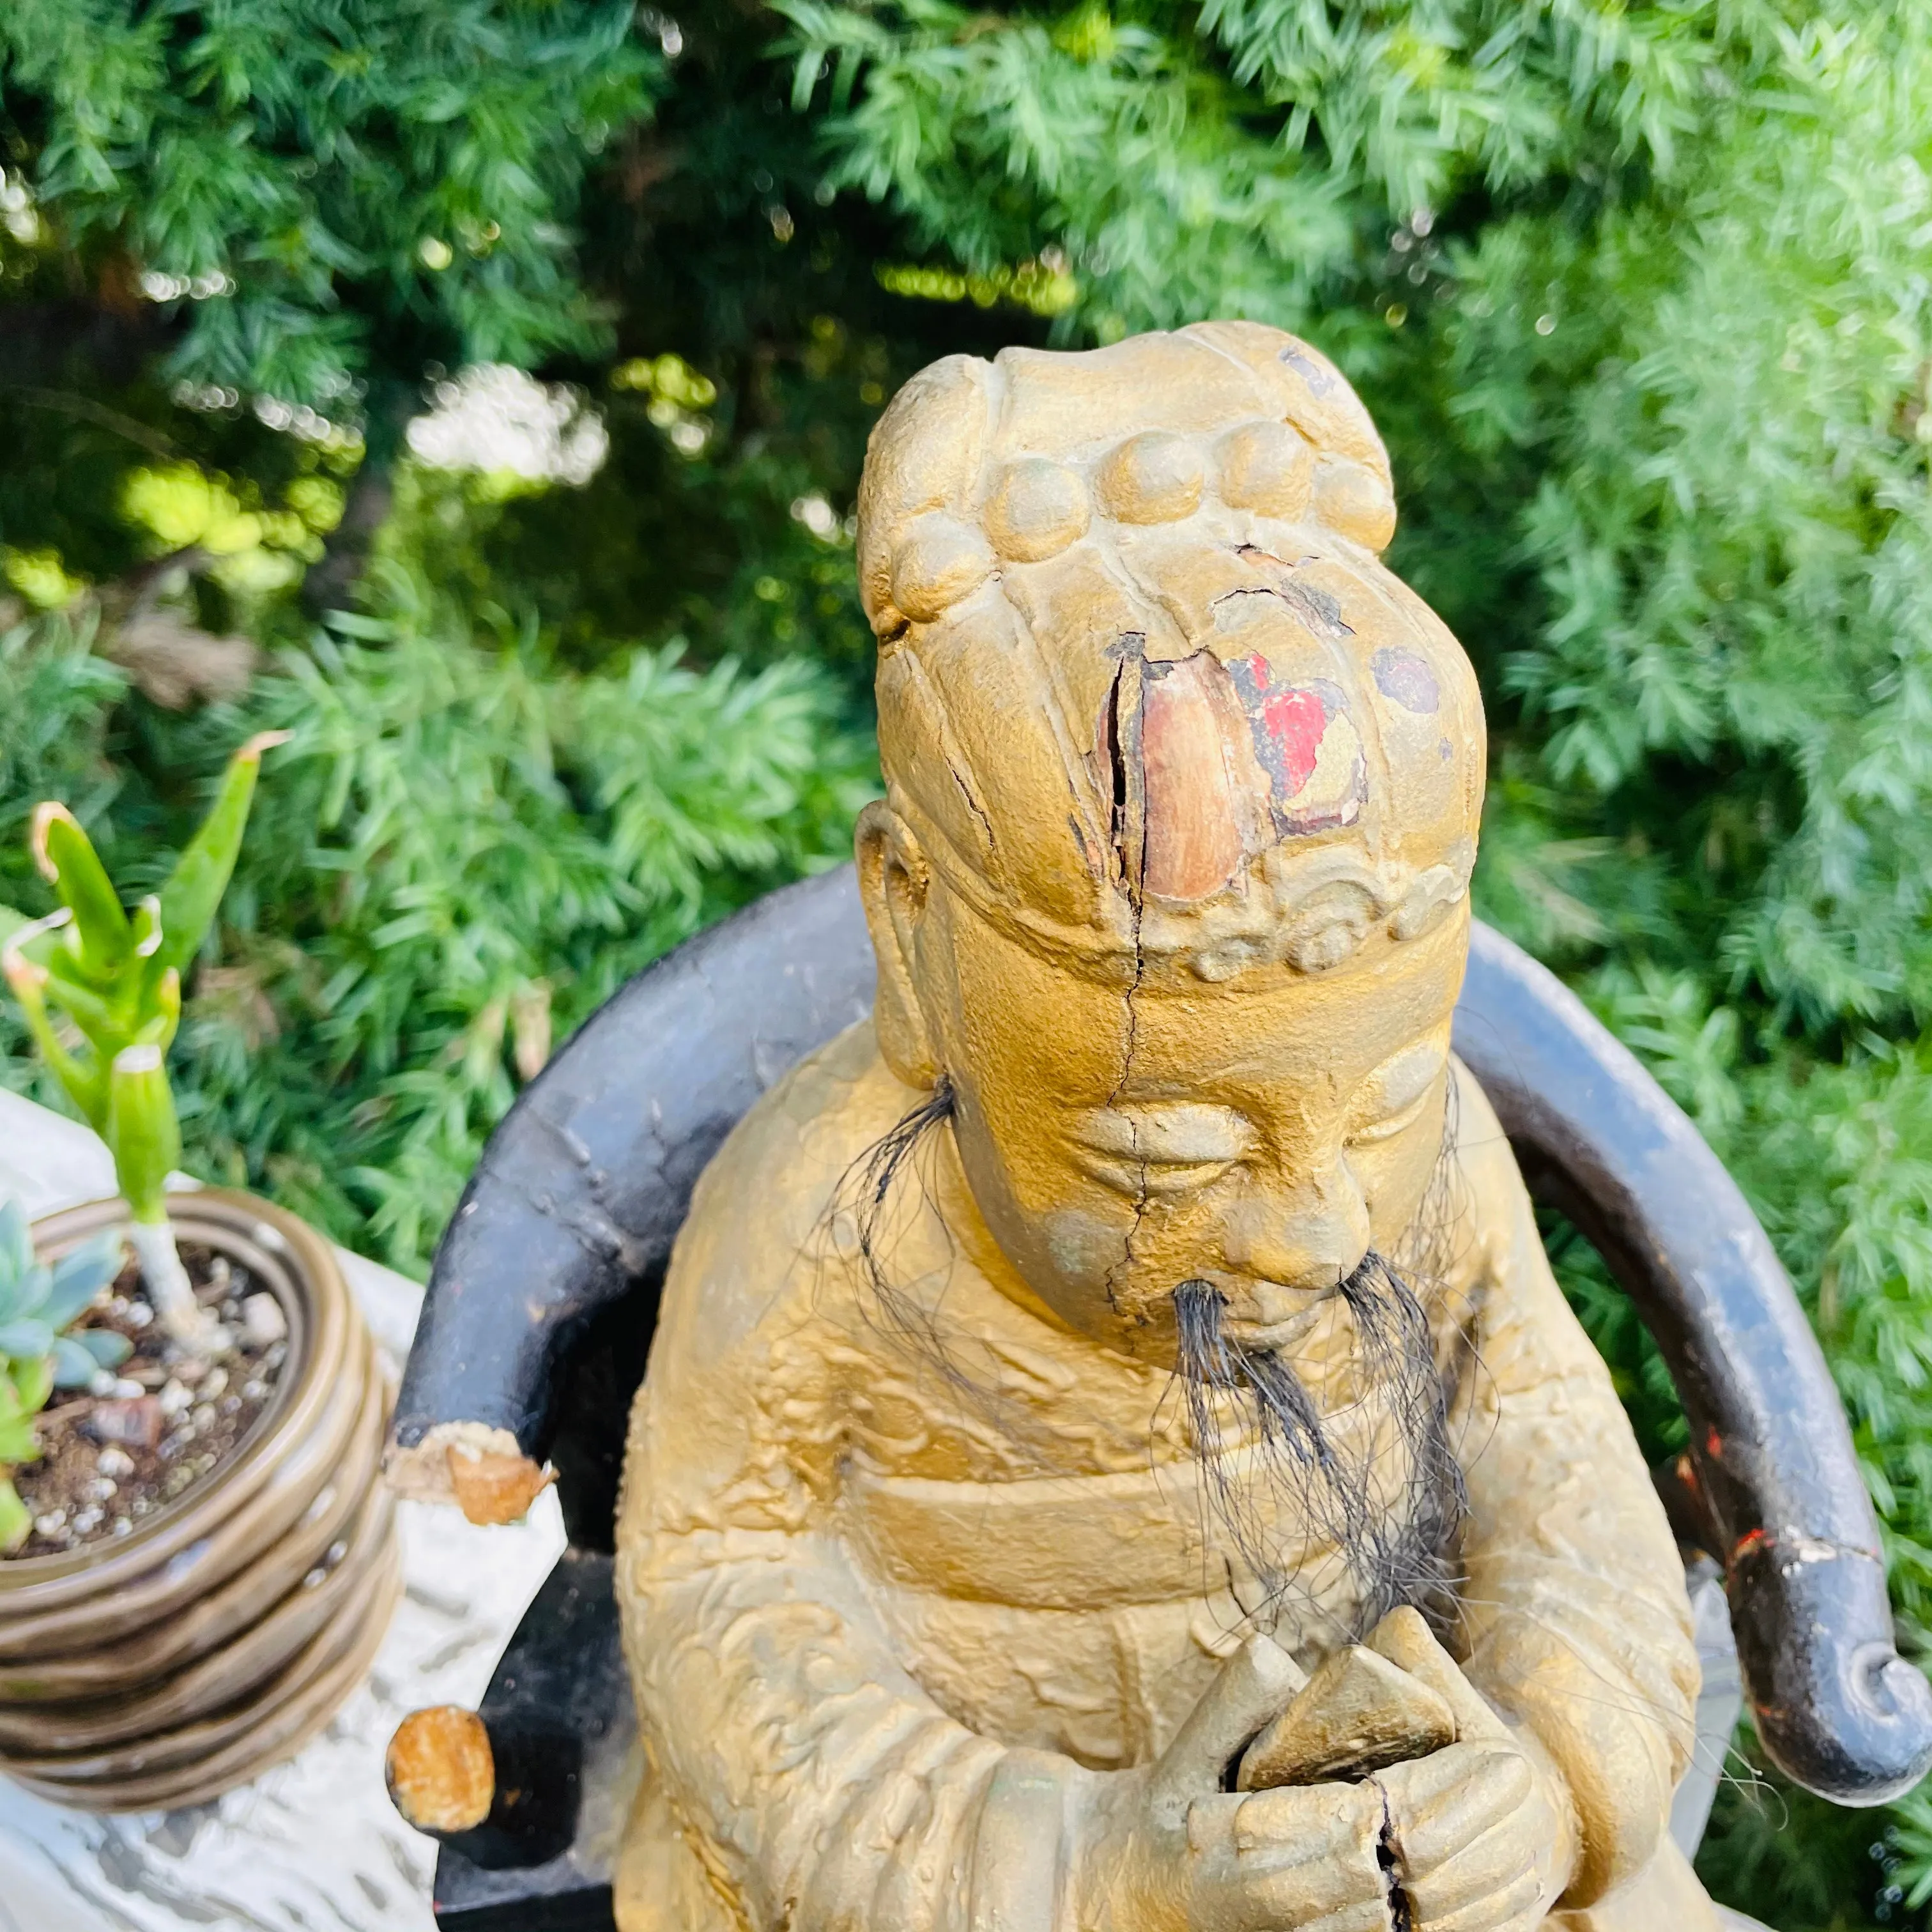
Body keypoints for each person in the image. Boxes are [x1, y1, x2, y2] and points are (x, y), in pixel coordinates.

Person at [613, 323, 1716, 1931]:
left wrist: (1551, 1775)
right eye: (1171, 1154)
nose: (1323, 1226)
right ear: (912, 934)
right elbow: (718, 1583)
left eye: (1386, 1101)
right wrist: (1082, 1875)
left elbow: (1547, 1443)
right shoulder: (820, 1224)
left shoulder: (1437, 1168)